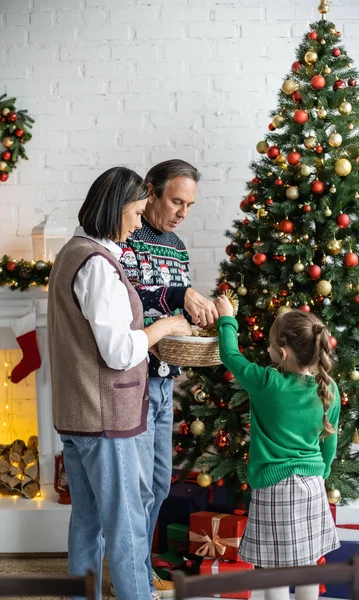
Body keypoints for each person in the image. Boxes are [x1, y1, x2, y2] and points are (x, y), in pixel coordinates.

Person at [47, 167, 191, 600]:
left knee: (88, 521)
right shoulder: (98, 266)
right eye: (134, 211)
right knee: (127, 523)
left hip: (77, 415)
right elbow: (120, 352)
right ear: (115, 210)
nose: (136, 220)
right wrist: (165, 326)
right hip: (105, 416)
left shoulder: (73, 253)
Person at [118, 159, 218, 598]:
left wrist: (195, 313)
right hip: (134, 380)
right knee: (137, 487)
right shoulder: (127, 236)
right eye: (176, 200)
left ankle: (138, 568)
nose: (182, 211)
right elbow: (129, 298)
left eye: (189, 204)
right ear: (152, 191)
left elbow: (175, 312)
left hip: (164, 382)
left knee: (159, 482)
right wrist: (178, 297)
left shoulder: (177, 246)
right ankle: (134, 579)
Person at [214, 299, 340, 600]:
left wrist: (227, 318)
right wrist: (322, 474)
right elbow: (330, 444)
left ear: (281, 353)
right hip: (312, 486)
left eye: (270, 346)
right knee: (308, 566)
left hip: (275, 490)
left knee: (274, 571)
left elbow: (230, 355)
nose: (268, 351)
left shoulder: (266, 382)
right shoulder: (329, 388)